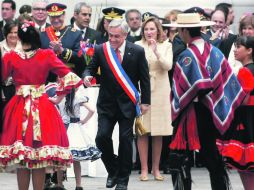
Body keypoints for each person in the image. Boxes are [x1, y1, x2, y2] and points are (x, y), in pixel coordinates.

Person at [163, 13, 245, 190]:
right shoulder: (216, 53)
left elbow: (181, 90)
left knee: (179, 157)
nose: (178, 33)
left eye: (179, 30)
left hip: (189, 114)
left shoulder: (186, 56)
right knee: (211, 155)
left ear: (185, 31)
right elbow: (228, 83)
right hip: (212, 111)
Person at [0, 20, 83, 190]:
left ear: (19, 39)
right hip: (42, 107)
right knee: (39, 158)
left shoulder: (10, 57)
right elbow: (70, 76)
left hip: (18, 106)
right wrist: (59, 97)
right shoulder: (47, 55)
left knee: (22, 158)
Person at [83, 19, 151, 190]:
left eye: (117, 37)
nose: (112, 39)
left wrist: (146, 102)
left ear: (125, 35)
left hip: (127, 104)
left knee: (125, 141)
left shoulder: (137, 51)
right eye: (110, 35)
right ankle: (113, 169)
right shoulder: (101, 49)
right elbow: (90, 68)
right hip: (106, 104)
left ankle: (123, 179)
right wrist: (87, 76)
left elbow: (144, 79)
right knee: (101, 138)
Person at [135, 17, 173, 181]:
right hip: (142, 89)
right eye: (146, 29)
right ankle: (144, 169)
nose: (149, 32)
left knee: (158, 131)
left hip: (161, 90)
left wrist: (156, 50)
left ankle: (156, 169)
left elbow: (168, 66)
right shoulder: (137, 45)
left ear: (158, 30)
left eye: (152, 29)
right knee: (142, 130)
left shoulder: (167, 45)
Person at [217, 36, 254, 190]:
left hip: (246, 119)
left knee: (245, 165)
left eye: (239, 47)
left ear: (249, 50)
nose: (235, 49)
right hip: (249, 117)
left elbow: (243, 100)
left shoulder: (245, 71)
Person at [55, 85, 101, 190]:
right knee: (76, 161)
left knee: (61, 159)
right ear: (75, 88)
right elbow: (92, 110)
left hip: (63, 129)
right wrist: (84, 120)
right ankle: (78, 185)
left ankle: (60, 185)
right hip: (76, 129)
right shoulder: (78, 97)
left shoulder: (60, 97)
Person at [0, 20, 22, 104]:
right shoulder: (0, 46)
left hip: (21, 89)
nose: (13, 35)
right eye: (10, 32)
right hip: (5, 88)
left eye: (15, 32)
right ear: (6, 33)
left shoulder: (24, 47)